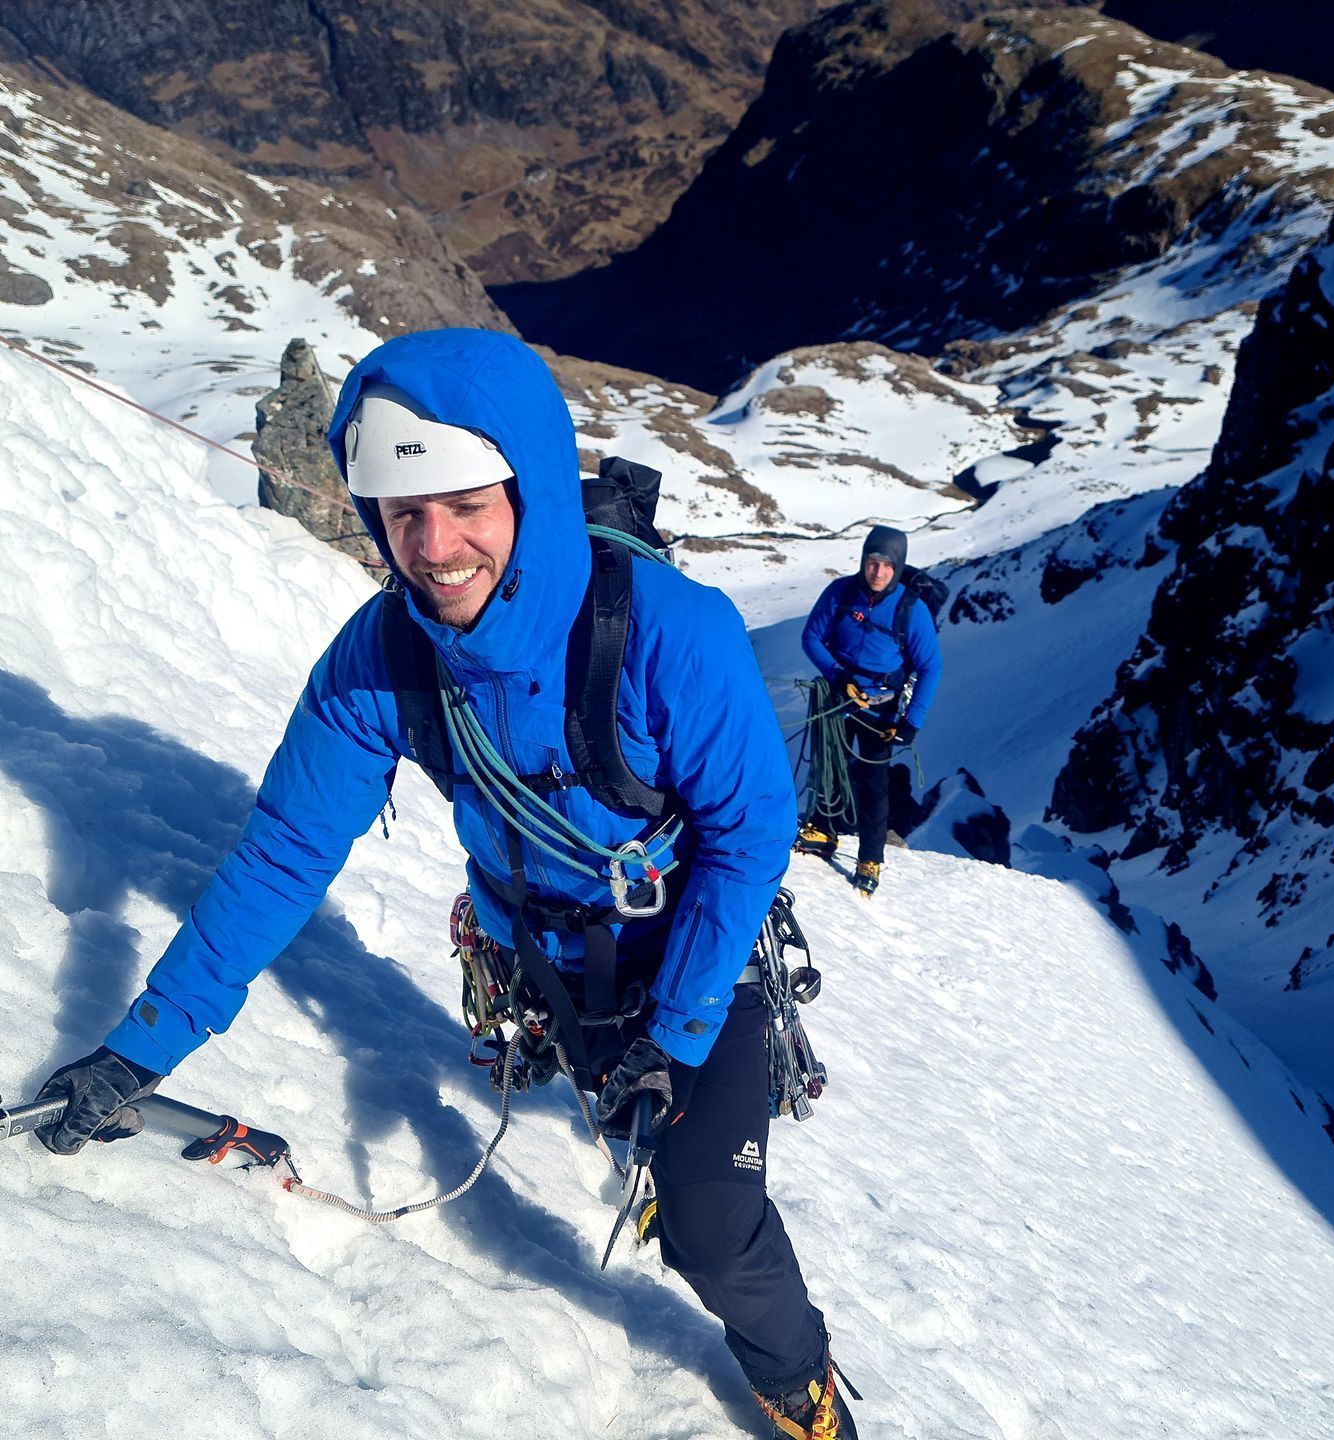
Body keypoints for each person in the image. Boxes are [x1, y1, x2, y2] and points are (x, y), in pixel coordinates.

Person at [31, 329, 857, 1440]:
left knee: (710, 1223)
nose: (434, 546)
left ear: (527, 486)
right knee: (627, 1125)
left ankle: (799, 1383)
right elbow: (284, 853)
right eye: (402, 514)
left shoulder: (672, 635)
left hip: (695, 946)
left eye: (466, 503)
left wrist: (683, 1027)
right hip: (543, 963)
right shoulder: (382, 657)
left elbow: (751, 835)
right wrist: (142, 1048)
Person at [795, 526, 942, 894]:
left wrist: (912, 722)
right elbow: (811, 636)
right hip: (838, 695)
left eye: (887, 566)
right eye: (873, 563)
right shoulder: (841, 593)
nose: (878, 572)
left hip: (881, 708)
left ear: (898, 568)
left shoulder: (912, 610)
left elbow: (930, 667)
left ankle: (871, 857)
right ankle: (823, 829)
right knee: (828, 764)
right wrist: (836, 673)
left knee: (874, 783)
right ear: (863, 561)